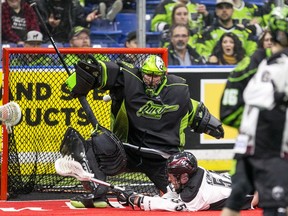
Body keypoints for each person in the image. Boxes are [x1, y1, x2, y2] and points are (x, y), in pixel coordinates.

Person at [63, 54, 224, 208]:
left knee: (178, 198)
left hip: (162, 159)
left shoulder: (178, 90)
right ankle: (97, 194)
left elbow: (195, 111)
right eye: (148, 75)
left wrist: (212, 125)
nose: (151, 80)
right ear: (142, 72)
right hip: (125, 152)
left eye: (156, 76)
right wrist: (90, 73)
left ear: (164, 75)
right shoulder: (129, 79)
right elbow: (106, 72)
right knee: (92, 146)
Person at [221, 7, 288, 216]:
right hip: (267, 147)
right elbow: (228, 110)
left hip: (257, 143)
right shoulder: (259, 63)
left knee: (241, 196)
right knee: (266, 202)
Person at [116, 151, 256, 212]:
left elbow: (171, 205)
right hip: (242, 179)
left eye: (172, 175)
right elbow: (173, 196)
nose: (169, 178)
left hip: (253, 191)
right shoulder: (197, 172)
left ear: (183, 177)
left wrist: (137, 200)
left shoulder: (193, 196)